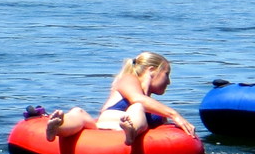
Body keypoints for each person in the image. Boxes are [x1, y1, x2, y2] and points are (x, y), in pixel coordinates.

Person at [44, 51, 196, 145]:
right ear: (152, 71)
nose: (169, 82)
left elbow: (165, 135)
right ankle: (58, 127)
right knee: (79, 112)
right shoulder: (128, 79)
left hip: (121, 129)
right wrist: (174, 114)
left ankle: (131, 131)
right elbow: (137, 99)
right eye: (166, 74)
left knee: (139, 109)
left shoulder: (156, 108)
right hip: (108, 122)